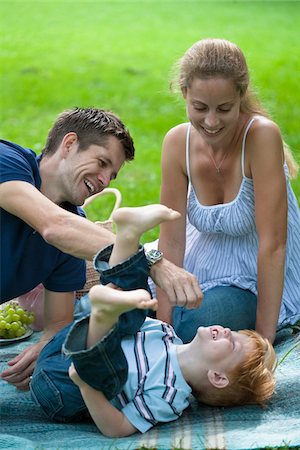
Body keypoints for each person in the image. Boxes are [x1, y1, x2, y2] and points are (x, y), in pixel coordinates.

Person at [30, 204, 276, 437]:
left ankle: (103, 314)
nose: (225, 331)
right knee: (135, 313)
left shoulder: (170, 396)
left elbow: (118, 428)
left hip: (63, 387)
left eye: (232, 343)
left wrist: (86, 387)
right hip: (62, 345)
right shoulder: (166, 334)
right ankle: (128, 235)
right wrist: (125, 302)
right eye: (233, 331)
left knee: (113, 374)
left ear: (218, 377)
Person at [0, 108, 202, 390]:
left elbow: (59, 322)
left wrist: (43, 350)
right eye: (101, 162)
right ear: (69, 144)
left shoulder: (74, 230)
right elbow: (52, 225)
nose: (105, 181)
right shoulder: (6, 161)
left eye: (112, 175)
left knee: (66, 376)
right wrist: (153, 263)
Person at [156, 38, 300, 345]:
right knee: (122, 294)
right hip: (196, 264)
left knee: (196, 324)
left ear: (241, 96)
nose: (210, 121)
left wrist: (263, 340)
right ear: (184, 94)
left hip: (252, 278)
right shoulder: (176, 143)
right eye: (199, 107)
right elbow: (171, 238)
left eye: (224, 109)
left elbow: (273, 245)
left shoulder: (261, 137)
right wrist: (161, 331)